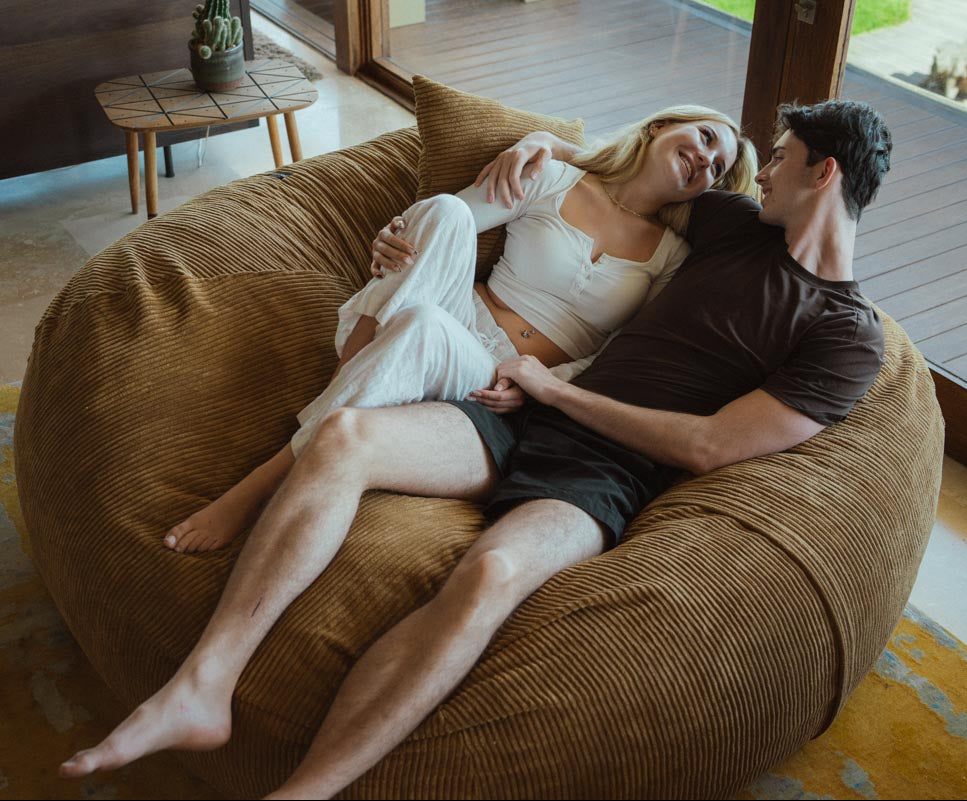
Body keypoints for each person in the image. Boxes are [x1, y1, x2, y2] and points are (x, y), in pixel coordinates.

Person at [60, 99, 891, 800]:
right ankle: (206, 682)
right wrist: (542, 145)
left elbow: (713, 445)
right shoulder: (734, 226)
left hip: (601, 467)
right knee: (346, 437)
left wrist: (557, 387)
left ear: (824, 175)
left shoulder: (845, 336)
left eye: (778, 159)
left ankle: (302, 793)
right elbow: (614, 169)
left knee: (489, 573)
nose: (759, 172)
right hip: (514, 412)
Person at [162, 105, 758, 553]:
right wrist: (395, 235)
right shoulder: (553, 177)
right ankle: (342, 391)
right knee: (443, 214)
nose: (706, 158)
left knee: (420, 322)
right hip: (453, 316)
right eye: (705, 137)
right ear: (661, 126)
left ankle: (258, 484)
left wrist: (540, 383)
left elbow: (621, 352)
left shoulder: (672, 256)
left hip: (494, 377)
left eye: (719, 166)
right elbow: (444, 221)